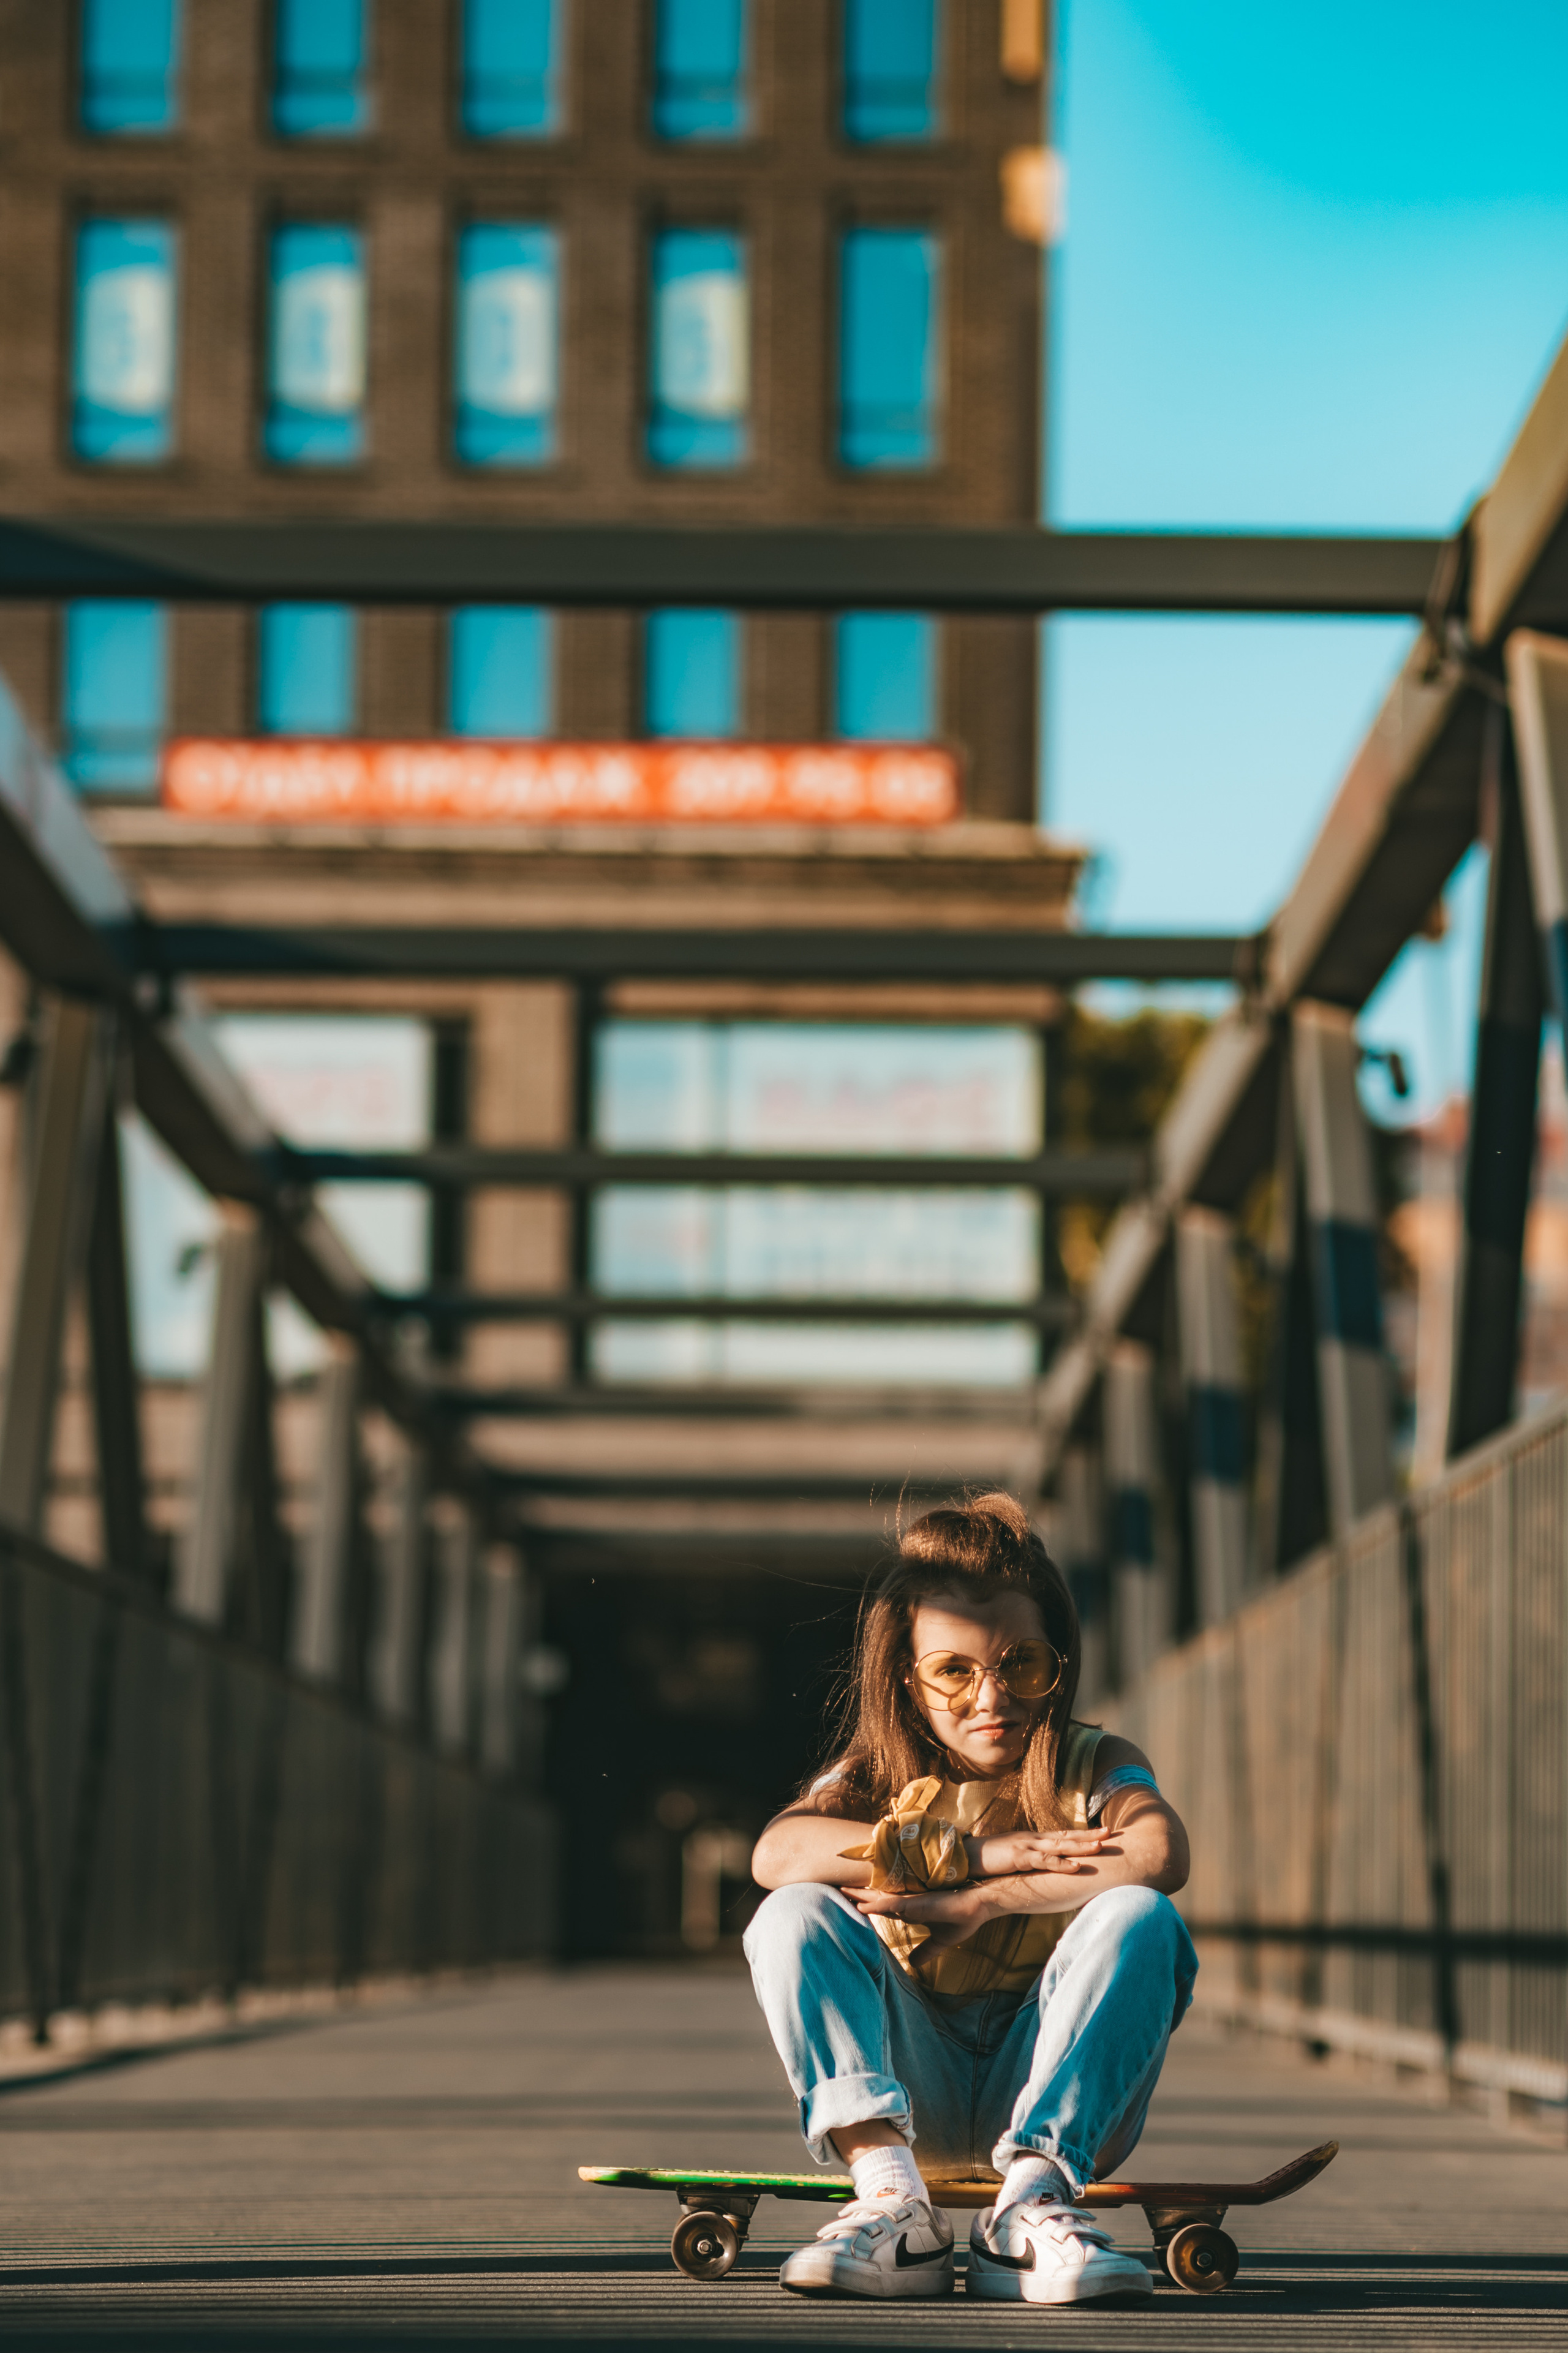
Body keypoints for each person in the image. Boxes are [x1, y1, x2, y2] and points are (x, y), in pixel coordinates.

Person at [744, 1490, 1195, 2305]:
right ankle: (892, 2203)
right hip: (909, 2092)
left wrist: (989, 1900)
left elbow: (1158, 1851)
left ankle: (1031, 2208)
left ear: (1058, 1663)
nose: (992, 1699)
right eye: (955, 1671)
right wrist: (972, 1855)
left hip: (1053, 2091)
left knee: (1144, 1915)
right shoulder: (871, 1777)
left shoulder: (1095, 1764)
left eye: (1022, 1663)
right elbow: (777, 1853)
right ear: (908, 1681)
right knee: (792, 1913)